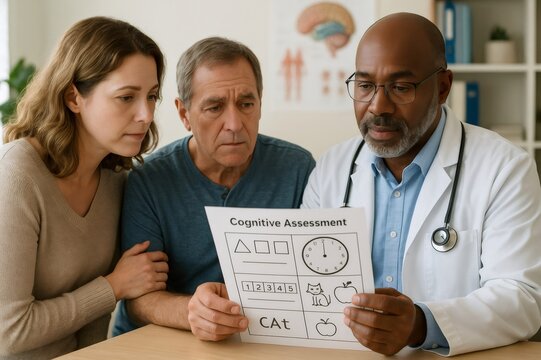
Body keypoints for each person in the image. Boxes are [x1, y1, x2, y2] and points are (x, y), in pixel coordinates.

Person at [301, 12, 541, 356]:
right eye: (365, 86)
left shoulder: (505, 169)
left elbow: (523, 299)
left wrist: (420, 324)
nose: (378, 106)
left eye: (401, 87)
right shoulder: (332, 168)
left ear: (443, 87)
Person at [112, 37, 315, 340]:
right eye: (215, 107)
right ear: (184, 114)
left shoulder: (297, 168)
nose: (234, 123)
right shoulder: (149, 180)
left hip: (257, 339)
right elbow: (138, 298)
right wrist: (192, 311)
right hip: (159, 341)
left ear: (260, 103)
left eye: (246, 104)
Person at [0, 17, 169, 359]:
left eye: (152, 96)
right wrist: (114, 286)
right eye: (126, 97)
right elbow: (8, 333)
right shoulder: (17, 177)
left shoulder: (116, 179)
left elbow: (92, 326)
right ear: (73, 97)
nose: (146, 114)